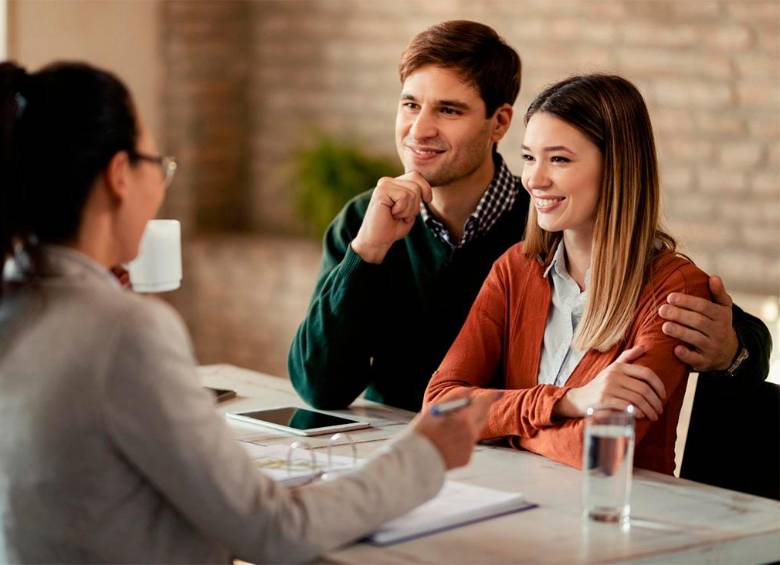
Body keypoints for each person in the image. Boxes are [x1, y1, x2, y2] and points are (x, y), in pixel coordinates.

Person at [0, 61, 497, 563]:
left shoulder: (16, 298)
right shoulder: (123, 328)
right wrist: (424, 456)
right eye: (158, 163)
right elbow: (275, 531)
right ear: (119, 177)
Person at [288, 20, 771, 413]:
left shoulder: (551, 216)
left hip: (515, 454)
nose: (419, 129)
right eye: (410, 104)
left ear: (498, 122)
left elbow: (721, 325)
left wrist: (734, 349)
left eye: (448, 110)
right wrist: (366, 253)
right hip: (403, 449)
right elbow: (320, 389)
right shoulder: (364, 222)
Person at [424, 74, 717, 475]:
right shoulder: (516, 268)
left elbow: (595, 450)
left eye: (559, 159)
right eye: (529, 157)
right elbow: (439, 408)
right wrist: (564, 403)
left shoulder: (673, 290)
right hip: (519, 503)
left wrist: (494, 426)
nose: (534, 179)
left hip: (619, 519)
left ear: (616, 168)